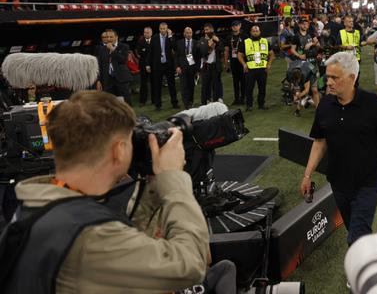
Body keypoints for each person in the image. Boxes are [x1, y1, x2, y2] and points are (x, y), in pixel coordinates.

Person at [4, 91, 237, 293]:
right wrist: (174, 180)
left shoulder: (38, 202)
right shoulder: (88, 236)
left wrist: (154, 184)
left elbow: (132, 237)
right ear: (118, 150)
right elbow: (193, 265)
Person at [299, 52, 377, 248]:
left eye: (334, 78)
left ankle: (359, 276)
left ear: (352, 78)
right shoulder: (324, 106)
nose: (328, 82)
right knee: (354, 229)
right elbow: (320, 142)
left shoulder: (374, 105)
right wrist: (307, 175)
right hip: (338, 182)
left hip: (368, 183)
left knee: (357, 235)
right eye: (327, 76)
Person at [237, 25, 274, 111]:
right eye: (253, 31)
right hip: (250, 70)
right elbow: (239, 55)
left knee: (262, 88)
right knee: (249, 89)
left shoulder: (265, 41)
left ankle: (261, 104)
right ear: (250, 32)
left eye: (257, 31)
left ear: (260, 32)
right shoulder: (245, 42)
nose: (255, 32)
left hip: (262, 69)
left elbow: (271, 54)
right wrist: (244, 64)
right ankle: (249, 105)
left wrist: (269, 64)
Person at [150, 22, 179, 111]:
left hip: (168, 65)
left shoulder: (170, 38)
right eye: (161, 28)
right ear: (159, 29)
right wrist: (149, 64)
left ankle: (174, 103)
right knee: (157, 86)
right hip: (158, 65)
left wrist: (170, 36)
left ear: (167, 29)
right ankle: (158, 105)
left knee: (172, 85)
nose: (163, 30)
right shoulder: (154, 38)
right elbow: (151, 52)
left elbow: (175, 48)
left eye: (164, 29)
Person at [174, 27, 202, 109]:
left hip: (192, 68)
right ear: (184, 33)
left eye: (190, 32)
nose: (188, 34)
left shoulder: (196, 43)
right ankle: (186, 104)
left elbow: (198, 58)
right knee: (183, 86)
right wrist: (177, 67)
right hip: (182, 68)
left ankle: (190, 101)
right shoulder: (179, 43)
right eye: (187, 32)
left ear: (192, 33)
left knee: (191, 86)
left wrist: (197, 70)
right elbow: (176, 56)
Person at [103, 29, 133, 105]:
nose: (109, 39)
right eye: (107, 37)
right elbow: (101, 65)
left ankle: (128, 116)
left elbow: (123, 60)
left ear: (116, 37)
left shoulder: (124, 46)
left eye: (111, 37)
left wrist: (112, 49)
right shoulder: (102, 49)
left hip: (121, 78)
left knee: (126, 103)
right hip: (108, 80)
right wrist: (99, 80)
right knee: (110, 104)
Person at [224, 20, 247, 105]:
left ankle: (243, 98)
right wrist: (226, 63)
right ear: (231, 27)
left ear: (240, 26)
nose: (235, 27)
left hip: (242, 62)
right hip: (233, 62)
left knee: (243, 81)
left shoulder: (245, 37)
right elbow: (226, 51)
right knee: (235, 81)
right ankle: (236, 99)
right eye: (233, 26)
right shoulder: (229, 37)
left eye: (236, 25)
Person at [200, 23, 223, 105]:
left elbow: (221, 50)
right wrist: (209, 47)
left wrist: (218, 42)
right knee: (205, 85)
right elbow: (202, 53)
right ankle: (205, 101)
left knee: (216, 84)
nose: (206, 31)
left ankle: (217, 101)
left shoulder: (217, 39)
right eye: (205, 30)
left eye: (208, 30)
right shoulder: (202, 40)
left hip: (215, 65)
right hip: (206, 66)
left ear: (212, 30)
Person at [136, 27, 153, 105]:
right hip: (143, 66)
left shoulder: (155, 41)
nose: (145, 34)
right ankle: (142, 101)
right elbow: (140, 52)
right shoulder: (140, 41)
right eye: (144, 32)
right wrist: (146, 50)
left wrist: (145, 50)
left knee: (154, 83)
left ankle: (155, 99)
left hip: (153, 65)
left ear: (151, 33)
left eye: (147, 32)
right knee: (143, 84)